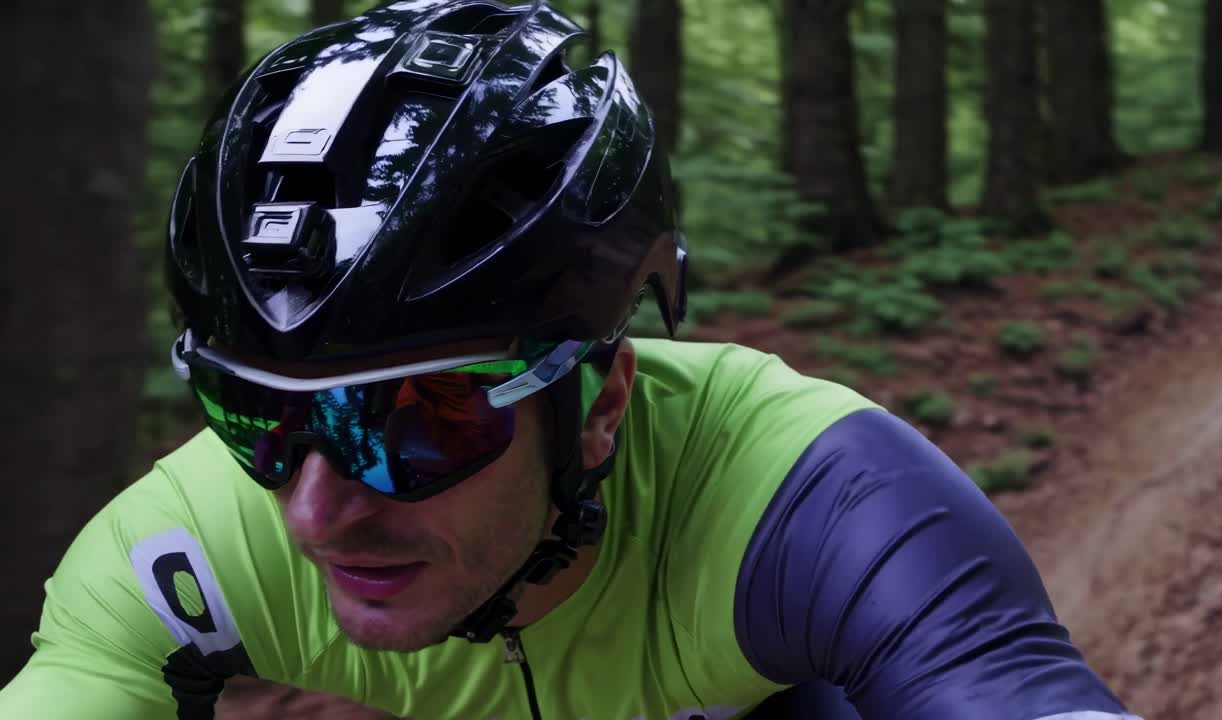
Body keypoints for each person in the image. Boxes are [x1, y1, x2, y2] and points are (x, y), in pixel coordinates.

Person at [0, 1, 1143, 718]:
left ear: (599, 401)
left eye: (411, 423)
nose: (313, 513)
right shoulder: (184, 547)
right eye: (250, 415)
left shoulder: (808, 495)